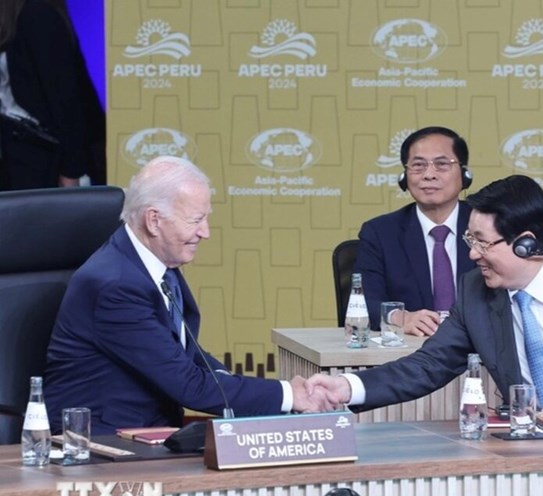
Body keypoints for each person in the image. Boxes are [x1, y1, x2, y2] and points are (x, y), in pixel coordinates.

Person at [309, 175, 543, 417]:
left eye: (482, 243)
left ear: (527, 244)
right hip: (530, 441)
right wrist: (348, 387)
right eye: (469, 239)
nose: (472, 254)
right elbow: (427, 366)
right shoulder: (476, 290)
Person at [44, 156, 330, 434]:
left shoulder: (153, 262)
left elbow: (187, 354)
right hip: (102, 443)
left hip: (152, 432)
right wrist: (290, 396)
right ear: (154, 220)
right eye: (196, 220)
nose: (204, 232)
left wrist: (243, 386)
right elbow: (187, 384)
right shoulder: (115, 286)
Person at [354, 126, 476, 336]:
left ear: (465, 174)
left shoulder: (492, 227)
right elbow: (364, 302)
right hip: (411, 354)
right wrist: (400, 318)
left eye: (442, 164)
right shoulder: (380, 233)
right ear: (404, 176)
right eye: (418, 166)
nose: (429, 174)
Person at [0, 0, 106, 190]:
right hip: (15, 154)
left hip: (38, 157)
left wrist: (71, 170)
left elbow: (66, 99)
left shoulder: (37, 15)